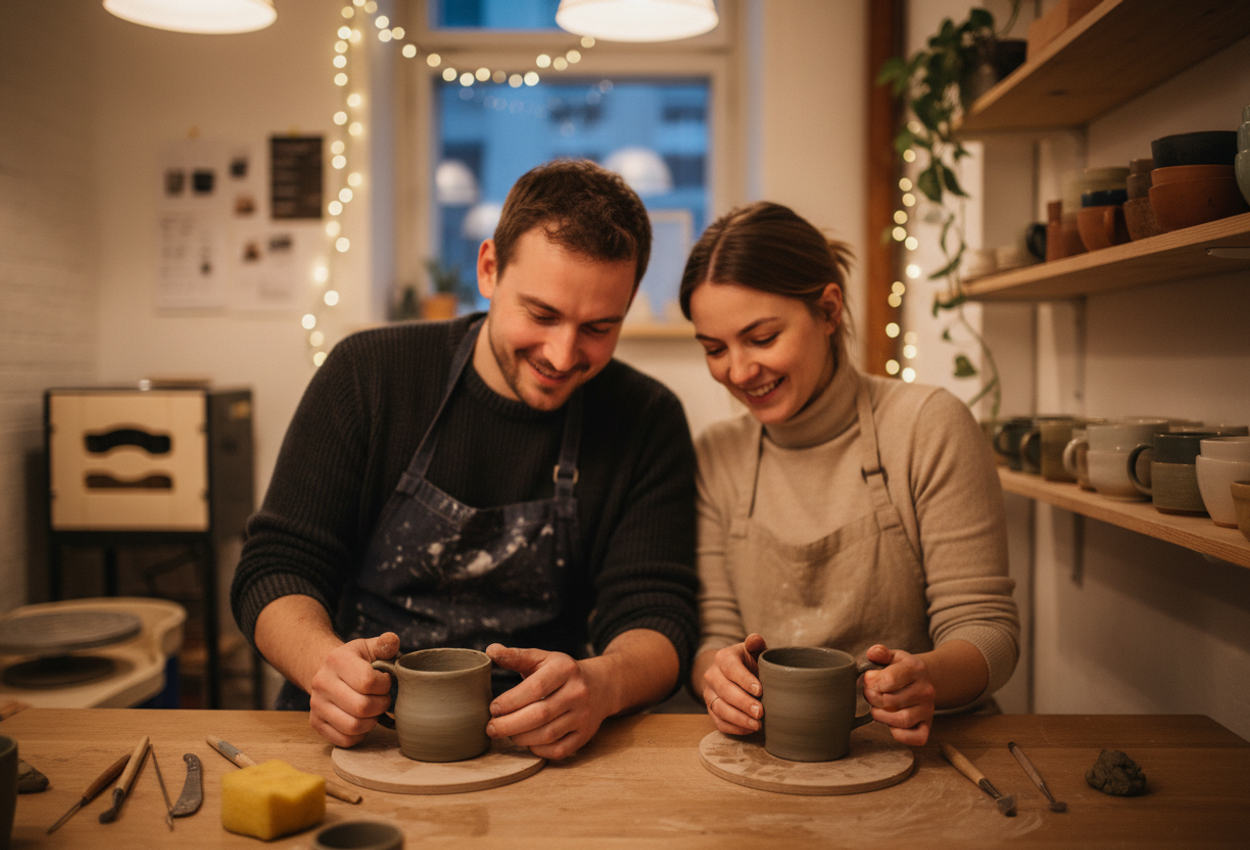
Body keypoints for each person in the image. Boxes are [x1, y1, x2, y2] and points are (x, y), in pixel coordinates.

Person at [231, 160, 699, 760]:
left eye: (598, 328)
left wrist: (601, 686)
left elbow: (658, 615)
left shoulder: (645, 418)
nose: (562, 354)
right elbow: (276, 567)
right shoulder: (369, 375)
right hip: (360, 736)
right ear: (488, 269)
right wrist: (325, 665)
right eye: (542, 314)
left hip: (539, 746)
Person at [681, 201, 1019, 746]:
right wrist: (715, 679)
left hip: (928, 748)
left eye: (763, 338)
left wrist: (925, 679)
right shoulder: (718, 454)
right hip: (776, 750)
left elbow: (989, 631)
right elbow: (714, 632)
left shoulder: (928, 425)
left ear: (830, 310)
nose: (739, 371)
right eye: (715, 349)